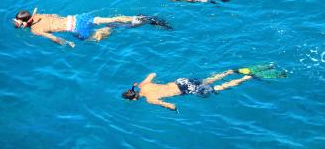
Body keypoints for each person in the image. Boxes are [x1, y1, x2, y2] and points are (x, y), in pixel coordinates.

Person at [122, 63, 286, 111]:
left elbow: (171, 104)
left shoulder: (150, 100)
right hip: (182, 81)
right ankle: (231, 71)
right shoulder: (144, 85)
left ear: (134, 99)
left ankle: (246, 77)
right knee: (208, 80)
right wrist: (139, 83)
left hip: (185, 90)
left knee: (219, 89)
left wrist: (173, 110)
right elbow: (153, 72)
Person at [12, 8, 171, 47]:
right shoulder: (41, 14)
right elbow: (54, 16)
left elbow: (53, 37)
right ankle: (136, 18)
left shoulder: (35, 30)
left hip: (76, 30)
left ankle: (123, 26)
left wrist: (66, 44)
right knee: (109, 18)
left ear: (25, 23)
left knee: (98, 36)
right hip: (78, 18)